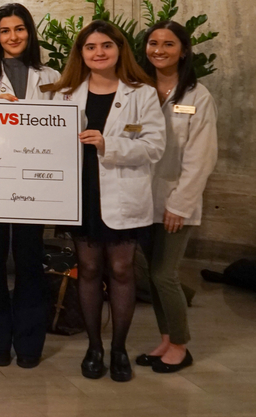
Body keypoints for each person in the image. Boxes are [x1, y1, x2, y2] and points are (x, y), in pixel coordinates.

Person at [49, 19, 165, 382]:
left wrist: (107, 144)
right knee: (88, 270)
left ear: (119, 49)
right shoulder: (65, 93)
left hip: (122, 193)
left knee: (121, 270)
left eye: (106, 46)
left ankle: (119, 349)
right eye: (90, 47)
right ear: (81, 53)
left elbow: (154, 147)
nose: (98, 53)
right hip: (82, 193)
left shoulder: (142, 93)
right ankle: (94, 348)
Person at [0, 4, 61, 368]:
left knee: (29, 259)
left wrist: (24, 113)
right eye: (5, 31)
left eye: (19, 29)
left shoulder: (50, 76)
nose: (13, 36)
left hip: (33, 184)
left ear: (29, 32)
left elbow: (60, 126)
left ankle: (29, 343)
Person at [135, 21, 217, 373]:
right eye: (153, 43)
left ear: (183, 51)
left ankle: (181, 346)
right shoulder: (138, 90)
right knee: (153, 276)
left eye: (169, 44)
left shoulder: (198, 96)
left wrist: (180, 205)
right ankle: (166, 339)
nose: (159, 50)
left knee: (164, 274)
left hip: (175, 202)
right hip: (141, 199)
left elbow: (202, 157)